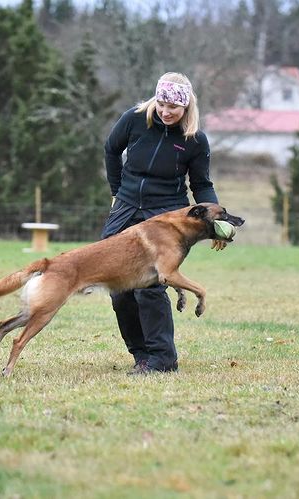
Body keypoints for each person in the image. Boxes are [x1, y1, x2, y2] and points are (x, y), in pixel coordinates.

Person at [100, 71, 226, 375]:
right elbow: (111, 150)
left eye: (174, 107)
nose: (167, 112)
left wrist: (216, 222)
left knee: (151, 286)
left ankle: (163, 359)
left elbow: (201, 185)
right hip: (127, 210)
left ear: (187, 108)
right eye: (162, 104)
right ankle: (141, 355)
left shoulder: (195, 140)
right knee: (118, 286)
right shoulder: (133, 119)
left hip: (167, 214)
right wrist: (118, 192)